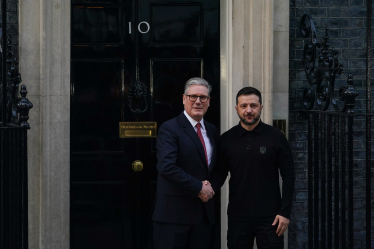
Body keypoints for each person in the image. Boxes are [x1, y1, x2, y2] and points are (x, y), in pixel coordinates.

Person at [211, 86, 295, 249]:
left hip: (271, 217)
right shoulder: (226, 139)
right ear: (237, 109)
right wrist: (205, 189)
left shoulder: (276, 137)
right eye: (243, 106)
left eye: (253, 105)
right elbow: (220, 174)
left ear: (261, 107)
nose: (248, 110)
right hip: (238, 217)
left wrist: (285, 212)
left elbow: (289, 175)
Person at [151, 77, 220, 249]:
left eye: (203, 97)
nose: (198, 101)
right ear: (184, 99)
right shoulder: (169, 128)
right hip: (174, 217)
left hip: (203, 216)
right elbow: (167, 167)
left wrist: (210, 189)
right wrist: (199, 187)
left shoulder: (212, 130)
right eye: (193, 96)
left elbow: (217, 168)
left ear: (209, 101)